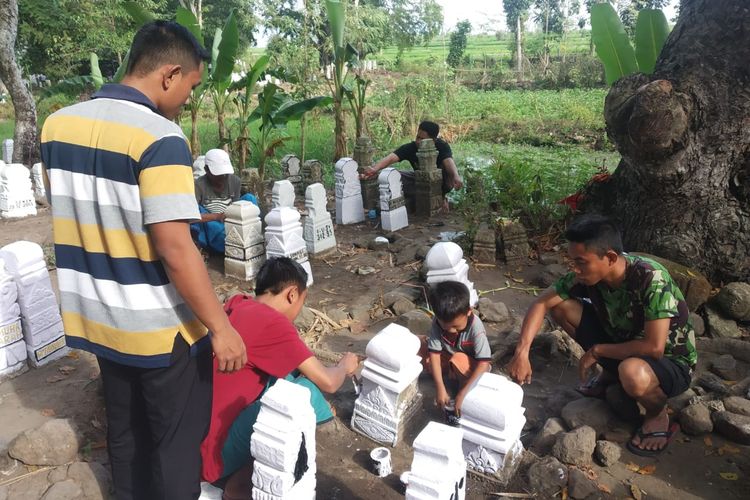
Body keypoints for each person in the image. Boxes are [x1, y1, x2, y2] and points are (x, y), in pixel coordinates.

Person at [40, 21, 247, 499]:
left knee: (126, 433)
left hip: (98, 318)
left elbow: (80, 208)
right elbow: (174, 249)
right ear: (170, 74)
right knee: (174, 446)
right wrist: (220, 327)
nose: (189, 100)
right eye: (191, 87)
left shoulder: (57, 125)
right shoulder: (161, 138)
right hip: (160, 330)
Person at [506, 214, 697, 457]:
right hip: (623, 345)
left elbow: (654, 347)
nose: (575, 269)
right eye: (572, 261)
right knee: (561, 307)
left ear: (610, 258)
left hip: (669, 361)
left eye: (581, 262)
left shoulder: (651, 277)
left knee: (632, 372)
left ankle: (657, 415)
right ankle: (610, 374)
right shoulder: (588, 275)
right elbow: (541, 303)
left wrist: (597, 351)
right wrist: (521, 353)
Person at [200, 257, 359, 498]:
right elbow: (329, 381)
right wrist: (345, 366)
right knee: (304, 390)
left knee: (286, 377)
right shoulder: (273, 323)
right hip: (212, 455)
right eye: (303, 302)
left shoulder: (238, 303)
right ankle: (240, 485)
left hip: (194, 435)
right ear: (292, 294)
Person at [420, 281, 491, 424]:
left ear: (469, 311)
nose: (451, 331)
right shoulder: (437, 322)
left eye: (456, 327)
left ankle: (462, 391)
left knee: (458, 359)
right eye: (446, 327)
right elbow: (434, 354)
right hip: (448, 357)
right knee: (417, 343)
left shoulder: (476, 327)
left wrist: (462, 394)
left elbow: (484, 364)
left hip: (471, 367)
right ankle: (449, 381)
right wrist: (440, 388)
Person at [361, 121, 463, 212]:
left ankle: (441, 197)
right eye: (417, 137)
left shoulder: (442, 146)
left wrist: (456, 176)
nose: (418, 141)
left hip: (442, 182)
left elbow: (448, 161)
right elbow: (391, 158)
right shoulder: (411, 147)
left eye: (422, 139)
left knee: (440, 177)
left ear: (433, 140)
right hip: (420, 180)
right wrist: (374, 169)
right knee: (394, 176)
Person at [191, 148, 257, 254]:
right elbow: (191, 217)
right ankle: (224, 245)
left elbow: (236, 205)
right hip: (211, 224)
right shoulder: (199, 185)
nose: (223, 177)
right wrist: (217, 216)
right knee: (200, 213)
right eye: (218, 174)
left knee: (249, 198)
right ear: (206, 169)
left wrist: (230, 217)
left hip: (230, 220)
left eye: (225, 173)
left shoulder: (235, 181)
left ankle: (251, 237)